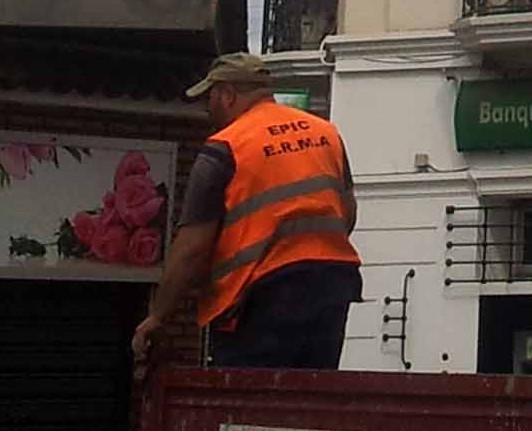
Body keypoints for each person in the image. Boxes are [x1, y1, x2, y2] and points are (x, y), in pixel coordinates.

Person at [131, 56, 363, 375]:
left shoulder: (224, 148)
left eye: (209, 98)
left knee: (252, 401)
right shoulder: (326, 134)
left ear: (228, 95)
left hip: (264, 296)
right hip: (332, 285)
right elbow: (347, 213)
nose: (206, 109)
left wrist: (158, 316)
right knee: (311, 396)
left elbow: (192, 249)